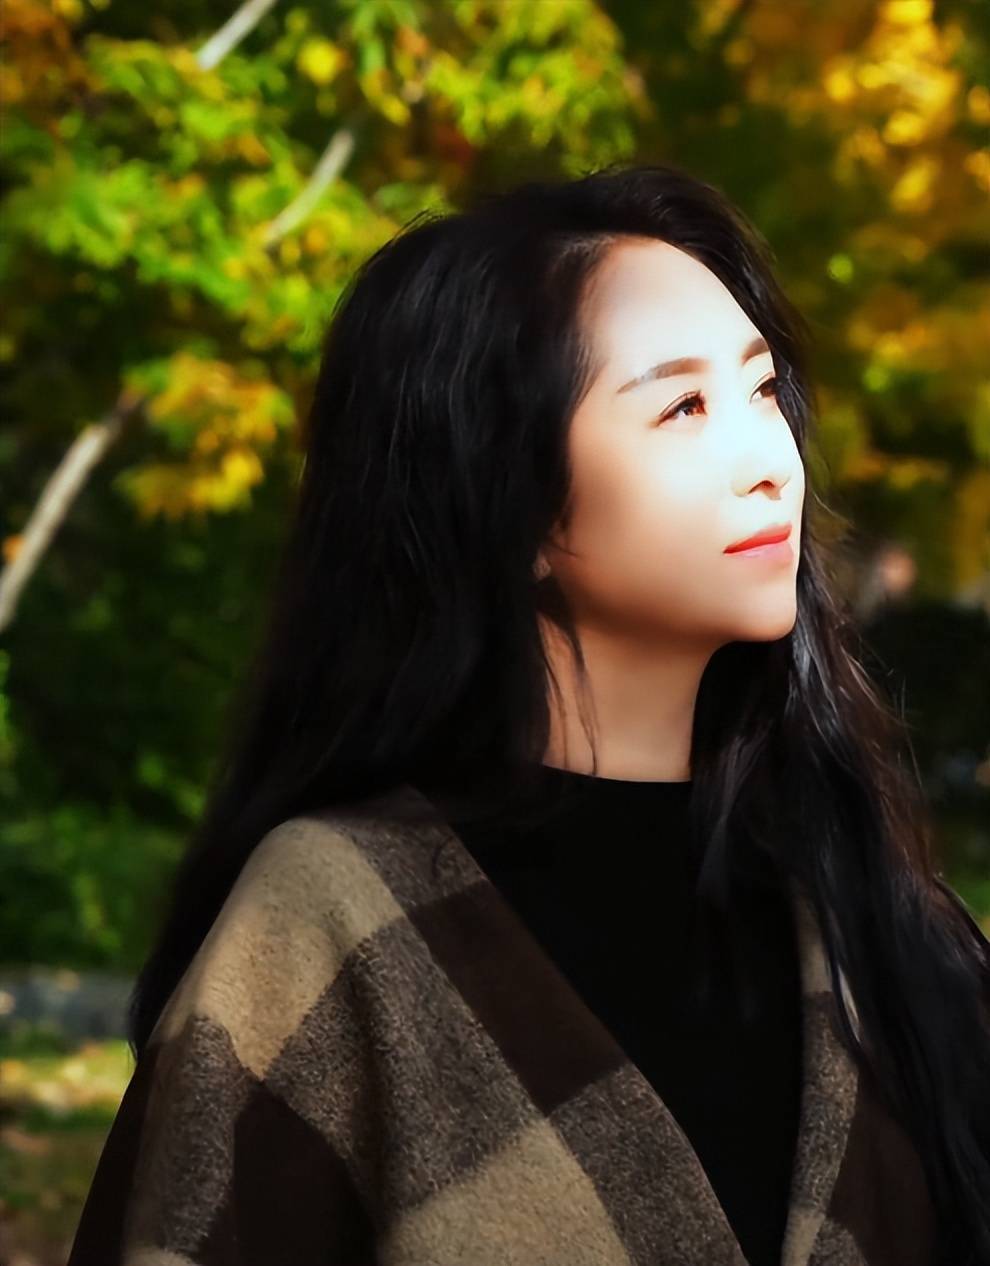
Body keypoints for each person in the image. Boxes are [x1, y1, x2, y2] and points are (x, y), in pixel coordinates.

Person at [67, 163, 990, 1266]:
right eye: (683, 407)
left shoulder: (877, 918)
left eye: (761, 391)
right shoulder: (328, 925)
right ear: (511, 505)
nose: (769, 465)